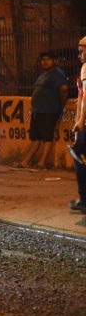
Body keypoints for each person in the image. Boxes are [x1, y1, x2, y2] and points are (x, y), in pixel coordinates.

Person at [16, 51, 68, 170]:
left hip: (49, 110)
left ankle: (42, 163)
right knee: (35, 138)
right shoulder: (43, 74)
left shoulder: (57, 73)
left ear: (54, 61)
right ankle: (26, 162)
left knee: (46, 137)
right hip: (37, 111)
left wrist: (60, 106)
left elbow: (64, 90)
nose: (44, 62)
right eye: (43, 59)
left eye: (48, 59)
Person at [70, 37, 86, 213]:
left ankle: (84, 199)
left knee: (77, 155)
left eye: (82, 51)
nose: (80, 55)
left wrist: (80, 121)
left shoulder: (85, 68)